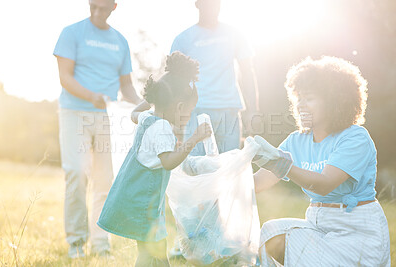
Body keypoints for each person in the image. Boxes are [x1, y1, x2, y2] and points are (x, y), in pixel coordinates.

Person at [252, 56, 391, 266]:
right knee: (270, 234)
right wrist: (220, 172)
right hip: (318, 225)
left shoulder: (355, 138)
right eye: (298, 98)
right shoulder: (296, 141)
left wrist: (281, 165)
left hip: (357, 231)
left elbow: (325, 183)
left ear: (334, 100)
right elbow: (258, 183)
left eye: (309, 98)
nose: (300, 105)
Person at [97, 52, 212, 266]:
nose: (188, 117)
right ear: (179, 107)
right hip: (143, 203)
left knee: (154, 252)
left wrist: (151, 99)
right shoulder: (162, 128)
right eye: (188, 112)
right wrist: (194, 139)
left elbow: (133, 113)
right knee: (152, 252)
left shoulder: (148, 118)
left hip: (135, 197)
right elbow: (168, 161)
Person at [53, 0, 140, 258]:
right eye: (93, 6)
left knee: (105, 180)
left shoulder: (120, 41)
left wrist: (146, 104)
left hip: (107, 117)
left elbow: (127, 87)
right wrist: (91, 96)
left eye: (103, 7)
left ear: (114, 7)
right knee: (77, 172)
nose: (97, 12)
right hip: (74, 113)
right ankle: (76, 242)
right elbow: (65, 77)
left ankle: (101, 244)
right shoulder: (72, 33)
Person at [170, 0, 260, 156]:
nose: (212, 5)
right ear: (197, 4)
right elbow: (174, 80)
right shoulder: (183, 39)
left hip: (229, 110)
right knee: (195, 168)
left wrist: (253, 111)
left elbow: (247, 72)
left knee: (229, 168)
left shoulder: (235, 34)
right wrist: (174, 118)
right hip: (196, 111)